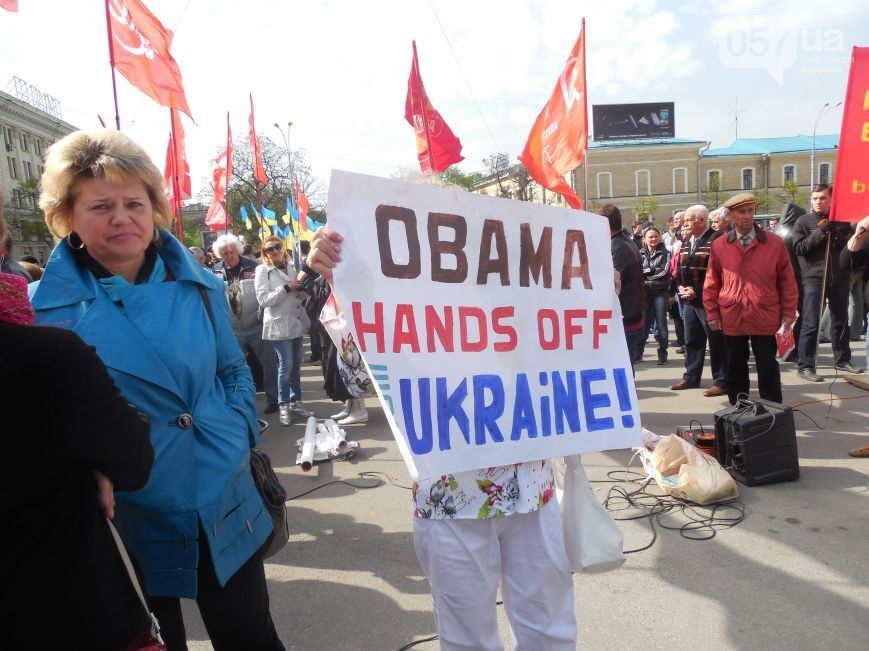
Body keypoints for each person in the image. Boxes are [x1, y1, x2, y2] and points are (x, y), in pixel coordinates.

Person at [29, 129, 284, 650]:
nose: (122, 217)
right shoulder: (39, 312)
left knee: (250, 638)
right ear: (68, 218)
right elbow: (38, 420)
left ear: (154, 210)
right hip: (124, 512)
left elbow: (234, 371)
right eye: (101, 205)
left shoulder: (202, 285)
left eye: (134, 202)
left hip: (222, 491)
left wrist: (233, 431)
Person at [307, 225, 577, 650]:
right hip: (450, 497)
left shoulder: (518, 290)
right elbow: (359, 378)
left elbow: (574, 350)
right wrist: (343, 288)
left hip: (531, 488)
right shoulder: (402, 308)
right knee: (468, 639)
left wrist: (594, 291)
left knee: (550, 632)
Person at [704, 193, 798, 404]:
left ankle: (772, 412)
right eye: (741, 212)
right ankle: (739, 412)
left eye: (750, 210)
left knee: (768, 369)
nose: (747, 216)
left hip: (764, 313)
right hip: (732, 314)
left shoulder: (774, 243)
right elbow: (711, 282)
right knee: (734, 367)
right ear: (730, 215)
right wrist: (712, 312)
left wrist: (788, 313)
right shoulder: (720, 245)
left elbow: (787, 282)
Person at [792, 184, 861, 381]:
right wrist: (820, 232)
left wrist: (839, 232)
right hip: (814, 279)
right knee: (810, 323)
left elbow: (850, 248)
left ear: (831, 199)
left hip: (839, 277)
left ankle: (842, 359)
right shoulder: (803, 221)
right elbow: (799, 248)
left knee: (840, 321)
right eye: (815, 198)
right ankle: (805, 365)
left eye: (822, 198)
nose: (818, 202)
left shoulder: (841, 221)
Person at [212, 233, 279, 415]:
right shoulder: (216, 271)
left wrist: (264, 315)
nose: (229, 256)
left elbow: (266, 293)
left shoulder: (255, 267)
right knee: (236, 367)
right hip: (233, 329)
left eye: (231, 252)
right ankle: (242, 402)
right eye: (224, 253)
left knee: (269, 364)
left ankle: (274, 399)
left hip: (257, 324)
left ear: (238, 250)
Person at [255, 235, 313, 426]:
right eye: (269, 249)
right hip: (279, 325)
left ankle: (297, 402)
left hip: (296, 322)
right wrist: (287, 287)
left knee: (296, 367)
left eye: (277, 247)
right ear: (265, 254)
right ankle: (283, 405)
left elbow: (300, 295)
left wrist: (303, 286)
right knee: (285, 367)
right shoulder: (263, 270)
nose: (274, 251)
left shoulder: (292, 266)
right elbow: (264, 300)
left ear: (283, 248)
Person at [671, 204, 728, 396]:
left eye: (688, 219)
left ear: (701, 220)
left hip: (707, 301)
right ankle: (691, 377)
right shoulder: (688, 239)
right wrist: (680, 286)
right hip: (689, 301)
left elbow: (718, 273)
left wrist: (696, 290)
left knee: (715, 341)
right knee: (692, 340)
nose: (684, 223)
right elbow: (680, 267)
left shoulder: (717, 239)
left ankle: (721, 381)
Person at [601, 204, 645, 368]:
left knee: (621, 369)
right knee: (625, 367)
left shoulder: (616, 247)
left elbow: (611, 285)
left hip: (626, 319)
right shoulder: (626, 242)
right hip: (632, 316)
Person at [778, 202, 807, 362]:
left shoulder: (777, 231)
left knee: (783, 316)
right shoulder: (793, 232)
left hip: (780, 280)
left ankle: (782, 349)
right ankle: (793, 349)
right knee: (801, 314)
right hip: (796, 278)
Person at [640, 225, 671, 365]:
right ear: (644, 239)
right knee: (643, 324)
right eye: (650, 237)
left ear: (660, 238)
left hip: (660, 292)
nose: (653, 239)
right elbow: (637, 271)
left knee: (661, 324)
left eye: (656, 236)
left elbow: (663, 272)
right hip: (644, 293)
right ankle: (638, 353)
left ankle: (663, 354)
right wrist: (652, 271)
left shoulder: (666, 253)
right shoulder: (639, 253)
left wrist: (646, 273)